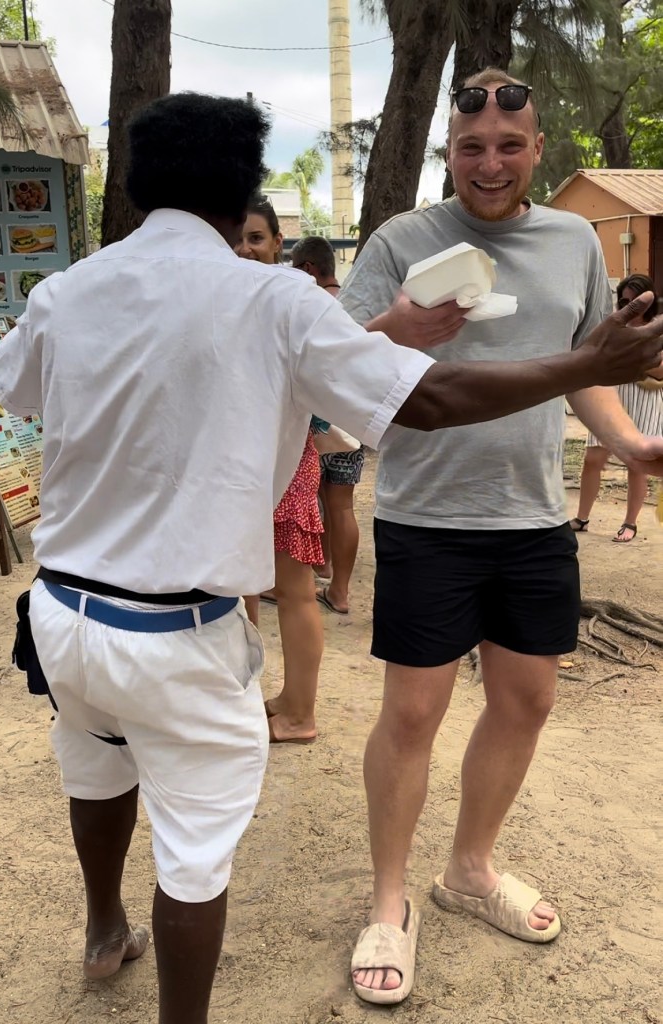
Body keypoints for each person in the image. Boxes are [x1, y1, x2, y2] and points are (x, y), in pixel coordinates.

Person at [0, 92, 662, 1024]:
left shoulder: (69, 290)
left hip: (64, 614)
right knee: (193, 855)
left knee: (95, 763)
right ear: (243, 195)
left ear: (139, 186)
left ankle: (105, 930)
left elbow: (18, 387)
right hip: (179, 632)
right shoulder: (270, 296)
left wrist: (378, 335)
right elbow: (429, 401)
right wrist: (582, 365)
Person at [339, 67, 663, 1005]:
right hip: (425, 517)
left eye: (509, 146)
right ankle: (389, 900)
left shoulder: (570, 240)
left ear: (537, 151)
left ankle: (469, 868)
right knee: (412, 715)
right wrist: (397, 326)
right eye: (470, 147)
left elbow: (583, 370)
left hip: (531, 518)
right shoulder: (402, 239)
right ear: (448, 152)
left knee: (525, 702)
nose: (489, 164)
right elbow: (340, 361)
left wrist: (632, 445)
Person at [236, 199, 324, 744]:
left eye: (255, 238)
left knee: (293, 590)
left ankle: (299, 712)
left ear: (277, 245)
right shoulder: (222, 298)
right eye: (236, 238)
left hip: (284, 461)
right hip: (235, 464)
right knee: (235, 588)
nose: (245, 249)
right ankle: (248, 699)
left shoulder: (294, 299)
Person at [291, 236, 363, 614]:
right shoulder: (356, 304)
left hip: (316, 427)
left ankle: (318, 567)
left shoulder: (311, 307)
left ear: (308, 269)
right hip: (352, 425)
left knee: (313, 500)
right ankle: (340, 590)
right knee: (343, 507)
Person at [571, 274, 663, 542]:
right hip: (611, 394)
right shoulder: (611, 327)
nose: (631, 306)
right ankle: (582, 518)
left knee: (638, 463)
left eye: (637, 301)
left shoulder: (657, 329)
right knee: (593, 459)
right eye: (625, 301)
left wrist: (626, 362)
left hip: (645, 398)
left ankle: (630, 523)